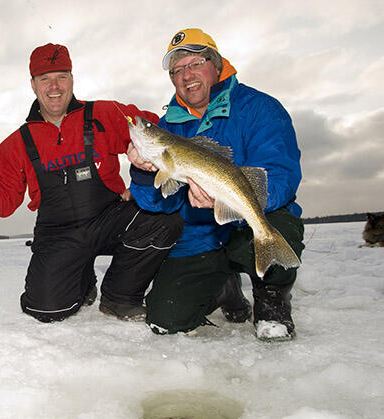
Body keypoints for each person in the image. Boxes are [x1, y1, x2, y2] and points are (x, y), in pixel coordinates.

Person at [0, 43, 183, 323]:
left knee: (164, 220)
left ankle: (120, 296)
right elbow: (4, 202)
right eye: (45, 78)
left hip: (109, 218)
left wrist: (144, 154)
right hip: (59, 232)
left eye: (61, 76)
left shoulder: (106, 114)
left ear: (72, 79)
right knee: (47, 309)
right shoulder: (16, 144)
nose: (54, 86)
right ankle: (81, 279)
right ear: (33, 85)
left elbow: (160, 128)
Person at [128, 29, 305, 341]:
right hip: (202, 236)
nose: (187, 75)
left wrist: (230, 199)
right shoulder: (168, 127)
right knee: (165, 319)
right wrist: (143, 170)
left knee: (276, 225)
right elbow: (157, 202)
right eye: (177, 70)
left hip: (250, 222)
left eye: (195, 63)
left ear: (216, 63)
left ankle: (272, 301)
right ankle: (222, 288)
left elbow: (280, 174)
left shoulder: (260, 108)